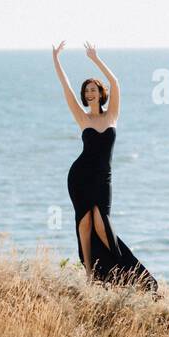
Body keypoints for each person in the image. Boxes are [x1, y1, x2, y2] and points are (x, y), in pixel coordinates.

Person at [51, 41, 158, 294]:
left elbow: (117, 83)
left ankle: (126, 274)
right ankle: (89, 274)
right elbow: (65, 88)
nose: (89, 94)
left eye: (93, 90)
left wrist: (95, 58)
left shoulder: (112, 115)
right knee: (85, 223)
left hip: (103, 179)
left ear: (100, 92)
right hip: (79, 176)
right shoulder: (83, 117)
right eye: (86, 91)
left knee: (103, 226)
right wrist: (56, 59)